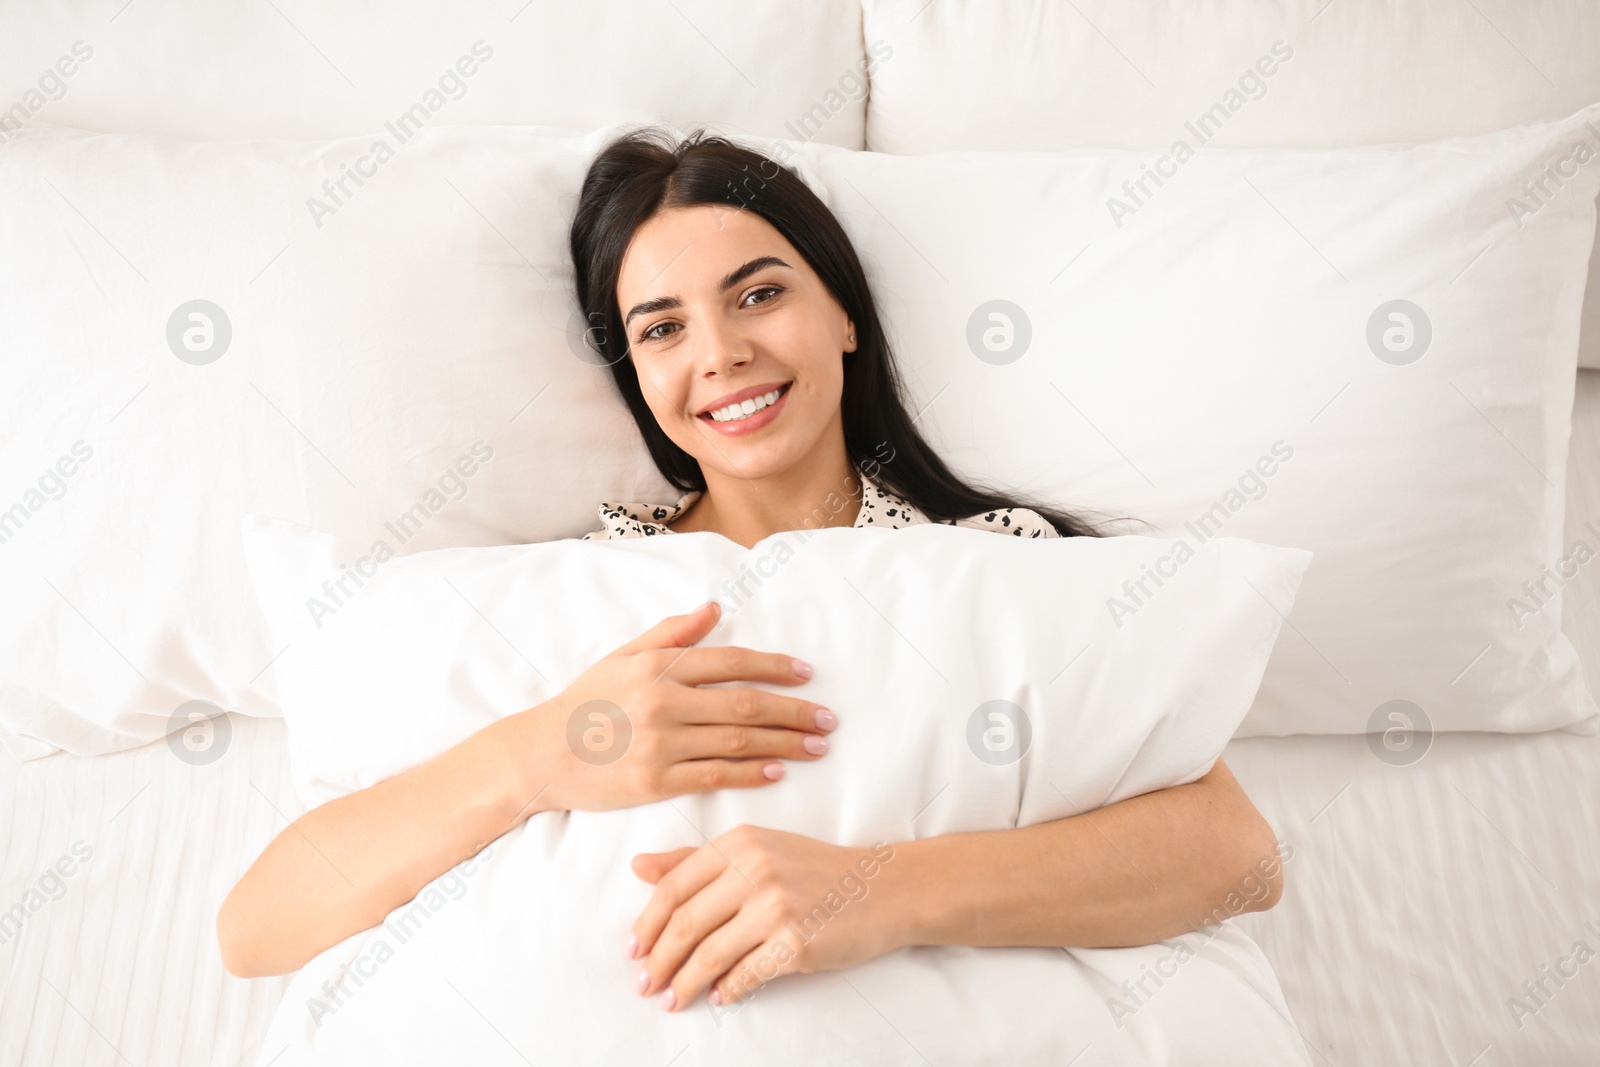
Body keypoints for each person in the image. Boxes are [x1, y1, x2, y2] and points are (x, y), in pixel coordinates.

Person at [219, 127, 1284, 1017]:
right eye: (664, 328)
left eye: (758, 293)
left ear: (843, 315)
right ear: (637, 377)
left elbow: (1234, 854)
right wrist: (544, 750)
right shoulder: (560, 598)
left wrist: (873, 894)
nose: (719, 352)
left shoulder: (1001, 563)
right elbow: (259, 926)